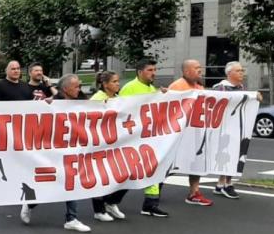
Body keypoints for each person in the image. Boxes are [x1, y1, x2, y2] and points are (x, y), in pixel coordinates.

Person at [120, 58, 169, 218]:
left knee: (155, 168)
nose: (153, 73)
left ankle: (150, 204)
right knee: (130, 173)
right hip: (134, 138)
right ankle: (109, 201)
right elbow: (120, 113)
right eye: (150, 70)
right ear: (140, 72)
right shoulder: (130, 88)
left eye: (155, 70)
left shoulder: (151, 88)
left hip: (149, 137)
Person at [43, 74, 92, 232]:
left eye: (79, 86)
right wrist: (45, 106)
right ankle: (31, 204)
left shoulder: (81, 99)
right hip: (56, 150)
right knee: (52, 183)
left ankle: (71, 218)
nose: (79, 89)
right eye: (76, 86)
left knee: (72, 181)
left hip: (74, 150)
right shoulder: (53, 103)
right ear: (65, 89)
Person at [0, 61, 37, 223]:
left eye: (18, 68)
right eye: (13, 68)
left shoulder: (25, 87)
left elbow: (32, 107)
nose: (16, 71)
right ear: (6, 71)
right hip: (6, 131)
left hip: (24, 131)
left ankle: (25, 194)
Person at [167, 59, 215, 207]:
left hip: (195, 133)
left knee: (196, 162)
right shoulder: (177, 86)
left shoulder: (199, 86)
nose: (200, 70)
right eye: (196, 68)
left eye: (200, 67)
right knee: (169, 165)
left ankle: (194, 193)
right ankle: (153, 191)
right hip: (178, 134)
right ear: (186, 71)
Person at [211, 61, 261, 199]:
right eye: (238, 71)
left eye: (242, 70)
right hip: (224, 127)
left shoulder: (241, 87)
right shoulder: (219, 88)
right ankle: (226, 184)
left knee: (236, 154)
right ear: (229, 73)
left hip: (238, 126)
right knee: (227, 155)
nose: (241, 73)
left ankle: (221, 184)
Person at [89, 71, 128, 222]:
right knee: (101, 178)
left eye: (118, 81)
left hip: (116, 143)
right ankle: (99, 210)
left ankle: (111, 202)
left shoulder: (118, 98)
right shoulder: (97, 99)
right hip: (100, 145)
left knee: (128, 174)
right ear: (105, 84)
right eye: (114, 81)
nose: (118, 84)